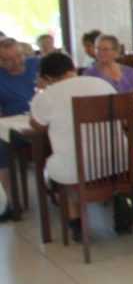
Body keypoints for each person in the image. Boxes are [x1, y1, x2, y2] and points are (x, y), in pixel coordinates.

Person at [29, 52, 117, 240]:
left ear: (47, 77)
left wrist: (42, 92)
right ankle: (120, 209)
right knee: (75, 158)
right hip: (116, 162)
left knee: (60, 163)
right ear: (73, 68)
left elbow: (37, 125)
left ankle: (76, 222)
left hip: (75, 169)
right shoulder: (102, 84)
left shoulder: (47, 96)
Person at [0, 37, 41, 220]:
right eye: (8, 59)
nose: (16, 62)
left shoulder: (36, 64)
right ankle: (11, 201)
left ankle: (62, 191)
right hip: (13, 125)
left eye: (18, 56)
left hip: (43, 119)